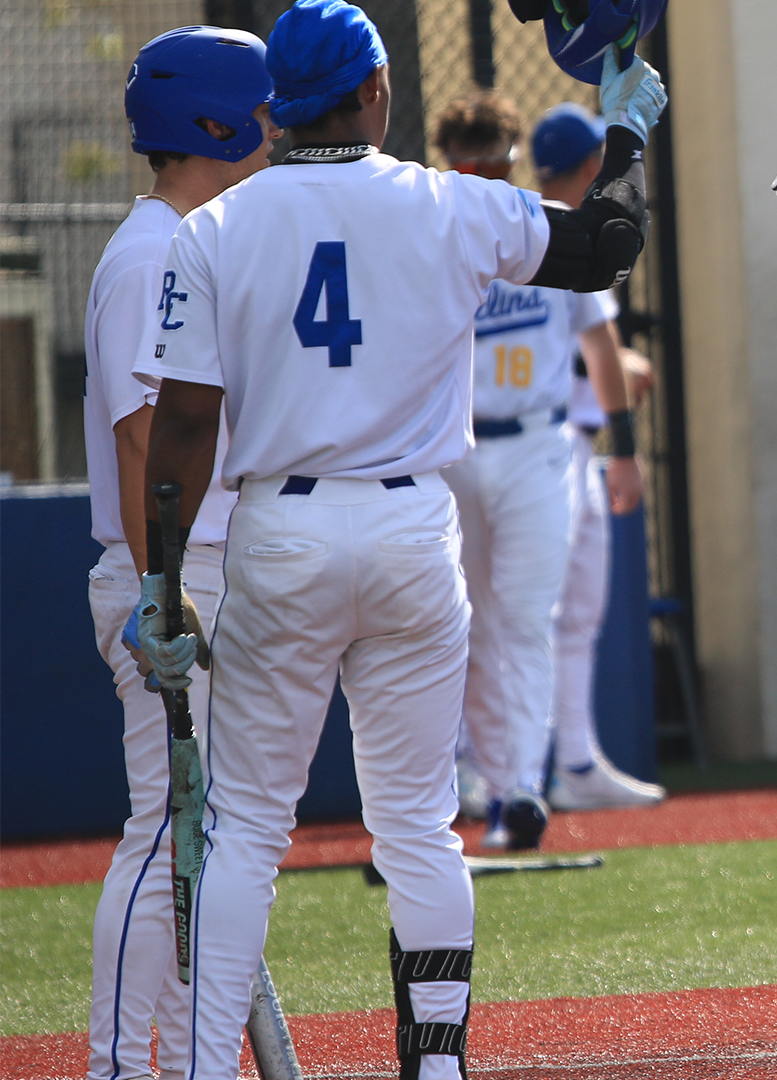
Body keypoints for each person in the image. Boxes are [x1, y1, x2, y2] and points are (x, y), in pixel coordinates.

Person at [128, 0, 662, 1075]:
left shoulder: (213, 227)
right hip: (417, 523)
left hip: (282, 525)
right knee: (418, 827)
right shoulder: (449, 203)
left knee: (246, 832)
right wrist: (628, 130)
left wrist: (163, 577)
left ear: (279, 104)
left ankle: (193, 1064)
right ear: (377, 91)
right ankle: (437, 1062)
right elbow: (607, 245)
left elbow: (183, 424)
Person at [82, 26, 276, 1080]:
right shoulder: (153, 248)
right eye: (264, 109)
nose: (278, 127)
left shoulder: (190, 240)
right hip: (169, 573)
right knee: (163, 837)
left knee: (199, 847)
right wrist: (163, 588)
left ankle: (162, 1062)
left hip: (199, 569)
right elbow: (139, 439)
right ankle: (117, 1066)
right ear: (217, 122)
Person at [433, 92, 652, 849]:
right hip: (456, 449)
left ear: (515, 159)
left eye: (497, 159)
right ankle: (466, 774)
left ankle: (521, 788)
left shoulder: (540, 226)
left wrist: (622, 447)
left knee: (525, 619)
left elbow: (600, 346)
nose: (486, 172)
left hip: (536, 443)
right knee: (457, 623)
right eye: (471, 161)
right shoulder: (431, 230)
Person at [526, 101, 673, 808]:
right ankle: (509, 771)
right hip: (533, 446)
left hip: (566, 445)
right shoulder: (548, 234)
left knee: (573, 614)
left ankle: (577, 762)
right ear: (591, 166)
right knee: (520, 620)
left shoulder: (528, 228)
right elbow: (594, 358)